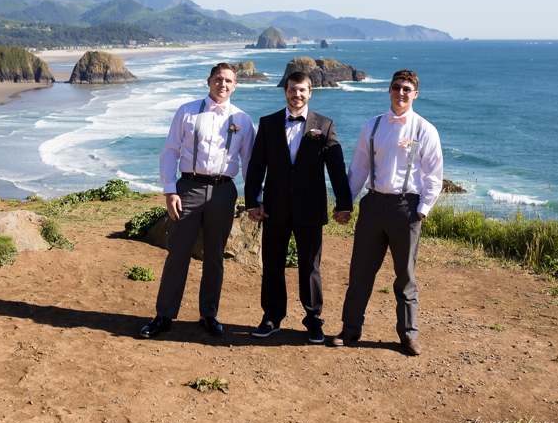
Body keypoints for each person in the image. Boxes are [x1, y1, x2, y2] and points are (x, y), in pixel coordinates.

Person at [142, 62, 255, 339]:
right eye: (218, 79)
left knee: (214, 257)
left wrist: (255, 199)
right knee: (177, 253)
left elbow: (250, 163)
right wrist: (170, 190)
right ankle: (164, 315)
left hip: (224, 191)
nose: (223, 84)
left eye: (229, 80)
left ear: (235, 85)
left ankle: (209, 314)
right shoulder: (187, 111)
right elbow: (169, 151)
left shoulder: (243, 119)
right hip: (188, 189)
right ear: (209, 81)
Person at [335, 69, 443, 354]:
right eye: (397, 87)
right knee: (360, 271)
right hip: (373, 204)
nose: (401, 93)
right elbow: (358, 168)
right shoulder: (372, 126)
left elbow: (434, 175)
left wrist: (422, 210)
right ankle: (350, 329)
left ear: (415, 94)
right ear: (389, 90)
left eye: (407, 89)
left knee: (405, 275)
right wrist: (346, 204)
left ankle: (408, 334)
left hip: (406, 207)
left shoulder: (425, 130)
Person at [243, 71, 354, 344]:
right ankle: (271, 317)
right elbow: (256, 166)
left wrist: (344, 204)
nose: (297, 94)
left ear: (310, 93)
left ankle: (313, 320)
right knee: (272, 264)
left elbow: (337, 168)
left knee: (310, 266)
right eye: (293, 89)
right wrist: (251, 202)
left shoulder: (324, 125)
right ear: (285, 91)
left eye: (302, 90)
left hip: (310, 208)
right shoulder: (267, 124)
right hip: (274, 207)